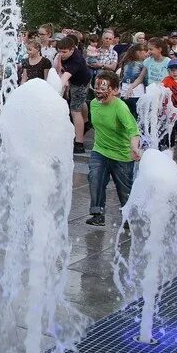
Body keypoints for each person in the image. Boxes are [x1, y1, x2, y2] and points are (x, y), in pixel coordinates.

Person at [85, 71, 141, 227]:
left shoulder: (120, 107)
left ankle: (129, 217)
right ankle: (97, 214)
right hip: (100, 150)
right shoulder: (93, 104)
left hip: (121, 154)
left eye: (104, 90)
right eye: (97, 89)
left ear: (115, 90)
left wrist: (134, 147)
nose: (99, 94)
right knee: (95, 177)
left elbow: (133, 130)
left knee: (124, 190)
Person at [54, 36, 92, 153]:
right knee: (80, 102)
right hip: (76, 80)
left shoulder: (76, 60)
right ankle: (86, 122)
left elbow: (63, 79)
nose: (61, 54)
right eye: (59, 51)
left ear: (72, 49)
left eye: (64, 52)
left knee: (75, 111)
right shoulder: (64, 54)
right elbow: (57, 69)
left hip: (80, 83)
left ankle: (79, 143)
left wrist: (53, 92)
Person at [118, 42, 148, 118]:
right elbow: (143, 79)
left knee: (126, 115)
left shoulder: (126, 62)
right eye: (145, 51)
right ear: (138, 52)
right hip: (137, 92)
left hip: (124, 91)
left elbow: (122, 76)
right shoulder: (142, 64)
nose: (147, 54)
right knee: (137, 115)